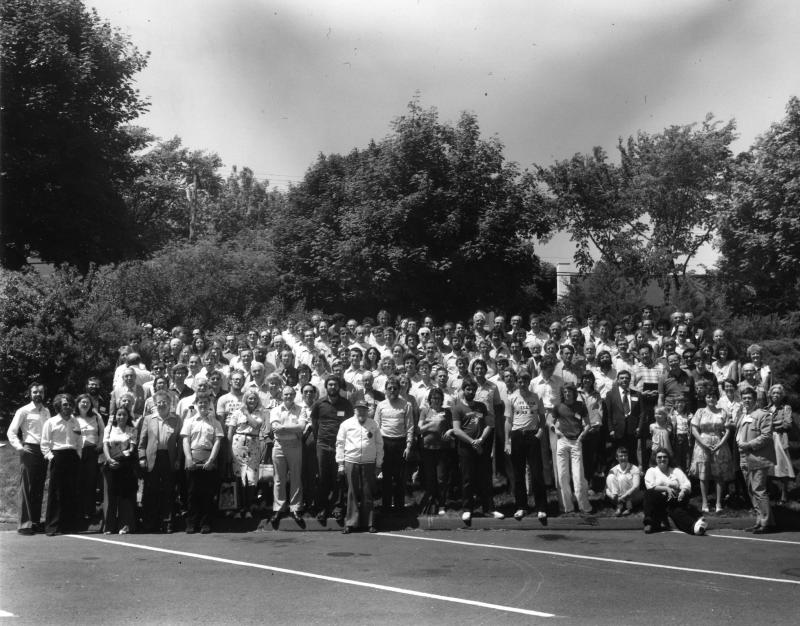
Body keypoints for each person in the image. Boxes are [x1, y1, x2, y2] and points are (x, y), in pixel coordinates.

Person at [451, 379, 503, 522]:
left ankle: (489, 509)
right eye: (468, 389)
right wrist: (471, 441)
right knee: (467, 479)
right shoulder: (458, 408)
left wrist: (481, 440)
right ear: (463, 390)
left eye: (473, 390)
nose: (471, 392)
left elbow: (489, 425)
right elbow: (456, 429)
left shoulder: (481, 406)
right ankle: (467, 509)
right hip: (466, 448)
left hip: (481, 446)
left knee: (485, 478)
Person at [503, 369, 547, 523]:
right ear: (516, 382)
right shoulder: (511, 398)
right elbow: (508, 421)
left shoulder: (536, 397)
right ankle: (521, 506)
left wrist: (539, 433)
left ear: (529, 382)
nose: (522, 383)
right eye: (519, 381)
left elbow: (542, 418)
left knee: (536, 472)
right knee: (518, 474)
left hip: (532, 436)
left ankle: (541, 507)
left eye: (525, 380)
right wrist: (507, 441)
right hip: (517, 436)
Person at [8, 384, 51, 535]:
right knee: (26, 487)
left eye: (41, 392)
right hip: (29, 449)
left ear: (44, 394)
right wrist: (20, 448)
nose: (38, 394)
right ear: (30, 394)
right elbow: (11, 432)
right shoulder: (23, 411)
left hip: (44, 450)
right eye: (35, 392)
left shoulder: (46, 411)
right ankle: (24, 524)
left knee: (38, 487)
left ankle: (35, 522)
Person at [137, 390, 183, 533]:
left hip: (168, 457)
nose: (162, 404)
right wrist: (142, 457)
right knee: (151, 490)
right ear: (155, 404)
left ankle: (168, 521)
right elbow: (142, 442)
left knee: (169, 491)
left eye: (165, 402)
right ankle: (151, 522)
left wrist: (178, 459)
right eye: (159, 403)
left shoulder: (176, 419)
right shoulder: (148, 419)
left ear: (170, 404)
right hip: (152, 458)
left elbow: (180, 442)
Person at [336, 400, 384, 534]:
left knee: (367, 492)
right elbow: (340, 443)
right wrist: (340, 463)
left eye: (364, 409)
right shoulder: (346, 424)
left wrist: (379, 463)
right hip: (351, 461)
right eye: (359, 409)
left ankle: (369, 523)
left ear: (367, 410)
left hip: (369, 462)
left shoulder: (373, 424)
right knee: (352, 492)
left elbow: (379, 444)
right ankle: (350, 523)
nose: (361, 412)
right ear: (354, 410)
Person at [310, 376, 354, 522]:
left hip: (340, 447)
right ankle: (322, 508)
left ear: (339, 387)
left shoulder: (346, 404)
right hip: (322, 446)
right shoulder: (319, 404)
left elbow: (350, 425)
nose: (333, 387)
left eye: (335, 385)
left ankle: (337, 508)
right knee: (322, 478)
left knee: (339, 478)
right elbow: (315, 425)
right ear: (326, 387)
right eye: (330, 385)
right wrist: (320, 440)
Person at [40, 394, 84, 536]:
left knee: (72, 491)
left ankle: (69, 526)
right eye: (65, 404)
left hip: (72, 457)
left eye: (70, 404)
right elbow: (44, 444)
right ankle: (53, 527)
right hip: (58, 457)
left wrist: (78, 455)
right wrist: (51, 457)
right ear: (58, 406)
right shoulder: (51, 422)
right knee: (56, 492)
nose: (68, 407)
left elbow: (79, 441)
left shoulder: (75, 422)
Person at [180, 393, 224, 534]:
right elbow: (185, 440)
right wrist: (188, 458)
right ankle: (191, 523)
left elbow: (217, 442)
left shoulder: (215, 422)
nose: (203, 405)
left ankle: (206, 524)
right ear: (197, 404)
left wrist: (211, 460)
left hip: (208, 458)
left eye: (206, 402)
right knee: (192, 493)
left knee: (207, 493)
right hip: (192, 457)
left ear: (210, 405)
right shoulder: (189, 421)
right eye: (200, 403)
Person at [736, 387, 776, 533]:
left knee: (759, 489)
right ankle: (761, 521)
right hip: (743, 457)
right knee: (751, 490)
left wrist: (748, 445)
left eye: (749, 398)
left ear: (755, 399)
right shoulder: (743, 415)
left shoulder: (763, 415)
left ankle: (766, 523)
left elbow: (766, 436)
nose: (747, 400)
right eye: (744, 398)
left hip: (758, 457)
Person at [374, 376, 415, 515]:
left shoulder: (406, 405)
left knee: (400, 478)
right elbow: (376, 426)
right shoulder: (381, 405)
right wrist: (377, 447)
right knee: (386, 477)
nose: (392, 390)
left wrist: (408, 446)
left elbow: (410, 427)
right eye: (389, 388)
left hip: (400, 443)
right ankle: (386, 507)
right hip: (385, 443)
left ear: (399, 389)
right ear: (385, 390)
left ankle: (399, 508)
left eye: (395, 388)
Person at [643, 448, 707, 535]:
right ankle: (649, 523)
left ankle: (695, 527)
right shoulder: (651, 471)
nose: (662, 459)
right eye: (659, 457)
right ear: (655, 459)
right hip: (659, 500)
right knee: (649, 493)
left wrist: (683, 491)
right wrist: (666, 489)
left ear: (668, 459)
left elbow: (686, 483)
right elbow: (650, 486)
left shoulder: (676, 471)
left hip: (675, 498)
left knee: (675, 512)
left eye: (665, 457)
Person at [690, 389, 734, 513]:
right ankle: (704, 502)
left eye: (714, 397)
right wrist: (703, 443)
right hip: (702, 444)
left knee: (718, 475)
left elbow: (728, 430)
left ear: (717, 399)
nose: (711, 399)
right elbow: (694, 429)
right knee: (703, 475)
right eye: (709, 396)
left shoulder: (722, 412)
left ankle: (718, 502)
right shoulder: (700, 412)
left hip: (719, 444)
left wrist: (721, 444)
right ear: (705, 398)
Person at [225, 389, 265, 519]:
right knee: (239, 476)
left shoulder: (260, 413)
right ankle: (238, 507)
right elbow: (230, 432)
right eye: (249, 398)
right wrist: (228, 450)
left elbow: (255, 425)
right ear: (245, 400)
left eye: (254, 398)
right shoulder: (236, 413)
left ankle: (248, 507)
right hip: (238, 444)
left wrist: (246, 413)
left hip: (253, 444)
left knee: (251, 477)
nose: (251, 401)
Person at [270, 386, 307, 525]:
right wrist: (293, 428)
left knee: (296, 477)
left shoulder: (301, 409)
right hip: (279, 446)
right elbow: (275, 429)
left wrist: (284, 428)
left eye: (291, 394)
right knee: (279, 479)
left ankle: (295, 508)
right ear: (282, 395)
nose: (288, 396)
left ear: (295, 395)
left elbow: (301, 427)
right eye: (286, 394)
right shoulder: (275, 410)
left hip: (295, 446)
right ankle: (279, 508)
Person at [553, 384, 592, 514]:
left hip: (576, 442)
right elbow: (549, 421)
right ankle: (567, 507)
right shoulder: (558, 407)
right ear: (562, 393)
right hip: (562, 442)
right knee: (562, 476)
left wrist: (582, 436)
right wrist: (557, 431)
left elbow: (588, 424)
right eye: (565, 392)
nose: (567, 394)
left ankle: (584, 506)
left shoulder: (580, 406)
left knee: (578, 475)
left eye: (569, 391)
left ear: (574, 393)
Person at [102, 405, 138, 535]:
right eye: (119, 414)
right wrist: (109, 459)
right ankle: (109, 526)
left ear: (128, 417)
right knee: (111, 497)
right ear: (115, 416)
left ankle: (125, 525)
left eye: (124, 414)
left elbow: (132, 449)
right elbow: (105, 445)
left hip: (125, 466)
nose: (121, 417)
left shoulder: (132, 430)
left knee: (125, 497)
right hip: (111, 465)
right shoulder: (109, 428)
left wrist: (121, 458)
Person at [418, 387, 453, 515]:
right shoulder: (425, 411)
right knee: (430, 477)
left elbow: (453, 427)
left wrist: (450, 432)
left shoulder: (447, 412)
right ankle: (431, 503)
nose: (436, 400)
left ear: (442, 400)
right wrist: (433, 424)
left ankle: (442, 504)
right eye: (433, 398)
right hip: (427, 448)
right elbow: (419, 429)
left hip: (442, 449)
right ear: (429, 400)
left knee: (441, 478)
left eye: (438, 398)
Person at [74, 393, 105, 521]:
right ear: (78, 403)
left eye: (87, 402)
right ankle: (78, 511)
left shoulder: (96, 416)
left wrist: (100, 444)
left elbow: (103, 431)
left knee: (91, 481)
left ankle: (90, 511)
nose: (85, 404)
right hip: (77, 452)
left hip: (92, 451)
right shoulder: (72, 417)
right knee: (78, 481)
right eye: (83, 402)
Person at [603, 370, 641, 466]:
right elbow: (608, 414)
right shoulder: (610, 394)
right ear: (618, 380)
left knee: (631, 456)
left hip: (632, 431)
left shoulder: (637, 394)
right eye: (622, 378)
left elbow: (642, 413)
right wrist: (611, 429)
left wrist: (639, 427)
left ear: (630, 380)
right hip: (617, 431)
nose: (625, 380)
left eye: (627, 378)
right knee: (616, 456)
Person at [766, 384, 795, 505]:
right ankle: (769, 492)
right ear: (770, 395)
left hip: (780, 439)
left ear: (782, 395)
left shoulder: (786, 408)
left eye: (778, 393)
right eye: (774, 393)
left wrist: (774, 424)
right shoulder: (767, 408)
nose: (776, 395)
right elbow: (763, 424)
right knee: (767, 466)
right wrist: (777, 422)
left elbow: (788, 424)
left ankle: (784, 494)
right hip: (768, 440)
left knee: (783, 467)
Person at [605, 447, 641, 516]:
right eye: (621, 456)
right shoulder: (613, 470)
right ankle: (619, 505)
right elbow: (607, 488)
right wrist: (613, 497)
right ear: (617, 458)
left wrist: (623, 496)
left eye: (625, 456)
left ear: (628, 457)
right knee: (610, 477)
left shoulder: (634, 468)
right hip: (617, 496)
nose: (623, 458)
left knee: (622, 478)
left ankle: (628, 507)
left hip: (631, 495)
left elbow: (636, 486)